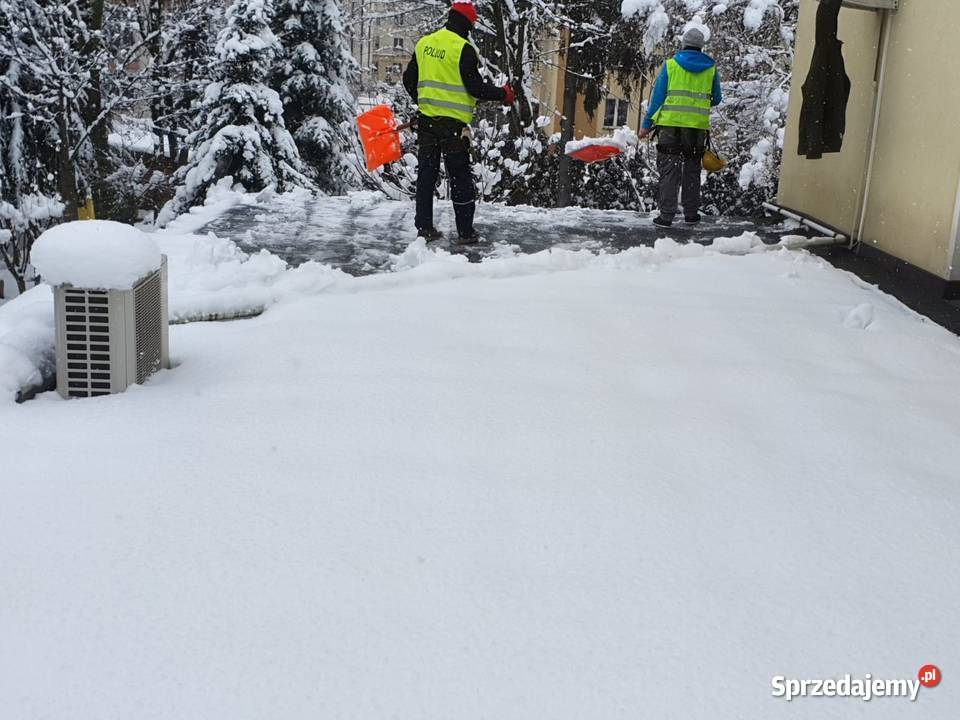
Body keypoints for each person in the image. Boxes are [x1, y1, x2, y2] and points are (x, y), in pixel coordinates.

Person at [403, 0, 514, 244]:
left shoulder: (425, 43)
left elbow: (408, 79)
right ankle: (465, 232)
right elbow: (475, 88)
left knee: (426, 176)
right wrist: (503, 94)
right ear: (467, 24)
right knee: (460, 177)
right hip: (453, 128)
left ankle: (424, 228)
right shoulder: (463, 49)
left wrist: (424, 103)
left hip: (427, 123)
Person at [639, 27, 723, 227]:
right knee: (692, 170)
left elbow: (658, 98)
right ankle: (691, 214)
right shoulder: (711, 69)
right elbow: (717, 99)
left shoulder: (671, 65)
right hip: (696, 129)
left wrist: (646, 125)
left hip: (670, 127)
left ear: (684, 44)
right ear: (701, 47)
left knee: (669, 170)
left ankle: (666, 216)